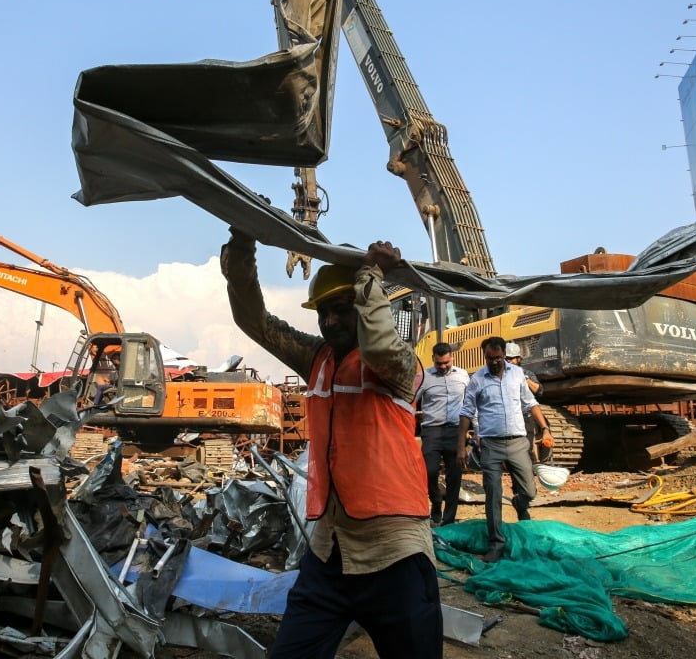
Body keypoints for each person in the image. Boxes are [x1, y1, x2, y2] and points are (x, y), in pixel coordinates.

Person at [220, 230, 442, 659]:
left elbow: (379, 343)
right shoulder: (317, 358)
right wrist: (244, 248)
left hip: (394, 551)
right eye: (323, 312)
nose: (330, 321)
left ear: (364, 306)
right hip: (329, 552)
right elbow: (256, 322)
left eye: (341, 310)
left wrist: (372, 276)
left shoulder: (399, 364)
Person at [458, 336, 554, 563]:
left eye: (498, 358)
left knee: (529, 490)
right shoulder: (477, 380)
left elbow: (530, 403)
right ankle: (496, 543)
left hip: (518, 443)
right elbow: (466, 413)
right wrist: (461, 445)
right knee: (493, 494)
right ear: (485, 356)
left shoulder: (518, 374)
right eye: (490, 358)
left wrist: (545, 429)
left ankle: (521, 503)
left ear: (504, 355)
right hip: (491, 445)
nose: (494, 362)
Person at [415, 342, 469, 526]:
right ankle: (436, 502)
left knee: (454, 476)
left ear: (452, 357)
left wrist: (475, 429)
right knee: (429, 471)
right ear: (433, 360)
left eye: (446, 362)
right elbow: (411, 400)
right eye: (439, 363)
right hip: (432, 431)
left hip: (456, 431)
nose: (443, 366)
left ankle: (449, 520)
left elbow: (470, 404)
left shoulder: (463, 376)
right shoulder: (423, 377)